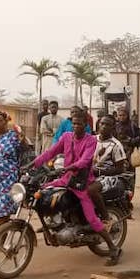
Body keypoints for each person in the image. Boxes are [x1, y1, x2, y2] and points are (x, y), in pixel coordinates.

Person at [35, 111, 121, 265]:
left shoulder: (90, 141)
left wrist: (67, 168)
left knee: (92, 219)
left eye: (79, 124)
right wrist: (33, 164)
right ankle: (53, 223)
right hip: (66, 180)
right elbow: (50, 152)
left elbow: (84, 161)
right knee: (42, 191)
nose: (76, 126)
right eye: (73, 123)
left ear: (85, 125)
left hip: (82, 183)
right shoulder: (66, 137)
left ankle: (113, 248)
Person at [89, 114, 126, 229]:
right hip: (88, 173)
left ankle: (106, 218)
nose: (104, 127)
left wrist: (100, 173)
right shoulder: (92, 139)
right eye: (102, 124)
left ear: (113, 128)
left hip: (107, 177)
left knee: (91, 190)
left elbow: (120, 168)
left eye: (108, 125)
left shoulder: (116, 145)